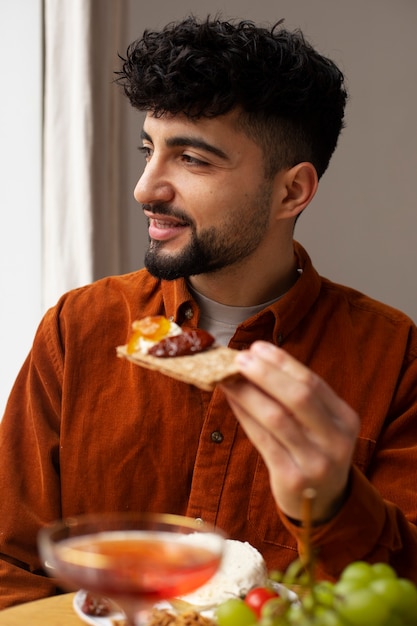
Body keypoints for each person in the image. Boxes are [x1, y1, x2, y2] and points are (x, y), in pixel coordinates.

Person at [1, 15, 417, 610]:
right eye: (149, 149)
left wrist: (332, 501)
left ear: (291, 192)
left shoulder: (396, 357)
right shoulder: (78, 328)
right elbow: (9, 563)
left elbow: (401, 599)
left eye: (192, 159)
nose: (147, 187)